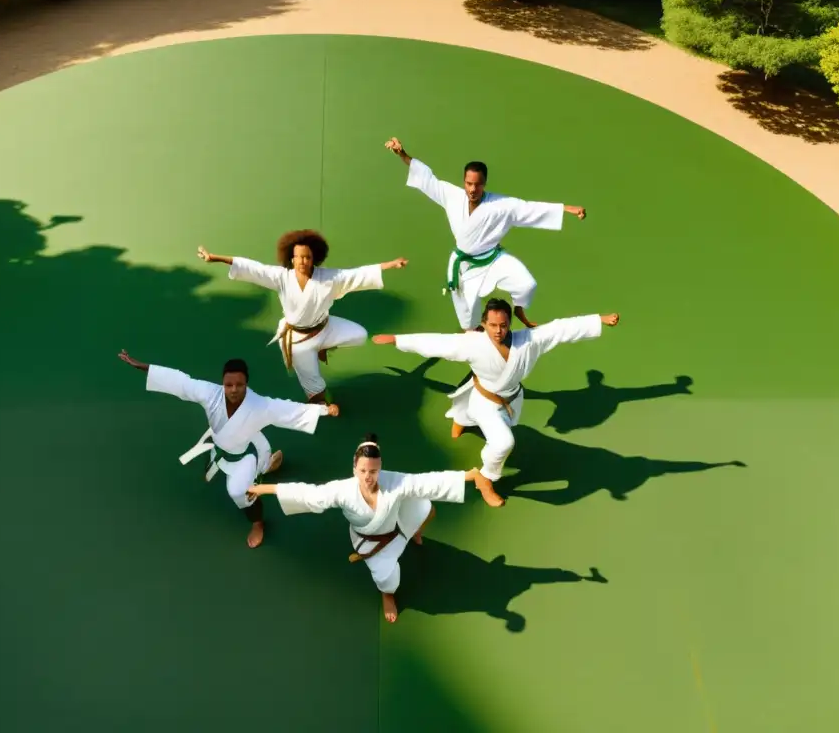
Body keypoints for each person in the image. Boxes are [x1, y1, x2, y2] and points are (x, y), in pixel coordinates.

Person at [372, 298, 619, 507]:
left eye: (503, 325)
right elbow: (438, 343)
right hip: (485, 400)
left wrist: (598, 320)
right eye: (492, 325)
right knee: (503, 442)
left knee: (487, 422)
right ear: (483, 324)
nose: (498, 330)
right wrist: (397, 339)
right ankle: (486, 478)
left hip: (512, 398)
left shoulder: (528, 341)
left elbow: (560, 329)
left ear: (510, 323)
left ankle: (461, 419)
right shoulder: (473, 343)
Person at [246, 433, 490, 623]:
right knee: (386, 577)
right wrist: (264, 489)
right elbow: (309, 494)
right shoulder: (342, 490)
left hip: (396, 523)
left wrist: (468, 475)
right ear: (354, 469)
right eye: (363, 471)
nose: (368, 476)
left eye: (373, 471)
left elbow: (428, 481)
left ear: (380, 468)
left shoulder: (395, 481)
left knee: (426, 506)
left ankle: (414, 530)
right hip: (371, 542)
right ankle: (387, 595)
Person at [117, 350, 339, 548]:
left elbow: (289, 410)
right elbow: (181, 382)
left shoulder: (260, 406)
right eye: (229, 384)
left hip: (246, 454)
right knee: (220, 461)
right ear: (222, 382)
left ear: (247, 383)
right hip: (223, 446)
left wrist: (325, 411)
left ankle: (258, 522)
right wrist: (142, 366)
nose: (233, 390)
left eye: (239, 385)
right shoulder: (210, 393)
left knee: (238, 491)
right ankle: (268, 464)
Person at [385, 136, 586, 332]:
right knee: (469, 317)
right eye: (469, 183)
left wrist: (566, 209)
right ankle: (473, 336)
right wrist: (402, 153)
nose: (473, 189)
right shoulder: (452, 196)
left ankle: (518, 310)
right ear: (464, 182)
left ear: (485, 183)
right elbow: (427, 179)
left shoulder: (500, 205)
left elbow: (527, 208)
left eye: (478, 184)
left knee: (527, 284)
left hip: (492, 259)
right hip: (464, 265)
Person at [197, 229, 408, 403]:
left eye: (307, 257)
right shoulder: (281, 277)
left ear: (313, 258)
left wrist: (390, 264)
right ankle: (319, 404)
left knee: (360, 334)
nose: (303, 261)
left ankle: (322, 347)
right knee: (312, 382)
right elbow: (254, 268)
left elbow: (357, 274)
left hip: (325, 327)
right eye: (299, 257)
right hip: (298, 340)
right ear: (292, 258)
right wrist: (215, 258)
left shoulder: (329, 278)